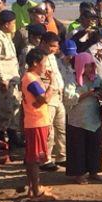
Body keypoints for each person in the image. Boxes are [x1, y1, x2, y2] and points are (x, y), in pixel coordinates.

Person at [63, 52, 102, 184]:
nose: (90, 69)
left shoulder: (96, 79)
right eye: (87, 66)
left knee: (94, 146)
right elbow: (68, 98)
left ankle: (94, 171)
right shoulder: (72, 79)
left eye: (91, 66)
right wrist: (87, 94)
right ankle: (79, 174)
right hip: (77, 120)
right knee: (78, 147)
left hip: (94, 118)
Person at [21, 48, 56, 201]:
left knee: (32, 157)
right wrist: (52, 84)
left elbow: (38, 100)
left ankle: (33, 188)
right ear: (35, 63)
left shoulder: (32, 77)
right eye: (43, 63)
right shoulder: (31, 78)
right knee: (34, 158)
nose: (45, 67)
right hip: (36, 122)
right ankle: (36, 191)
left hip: (35, 121)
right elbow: (44, 99)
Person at [0, 10, 22, 150]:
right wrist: (1, 79)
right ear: (6, 24)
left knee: (14, 109)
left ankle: (13, 137)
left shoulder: (6, 35)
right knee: (4, 111)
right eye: (13, 23)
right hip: (3, 81)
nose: (14, 25)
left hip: (12, 79)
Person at [39, 32, 67, 170]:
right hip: (47, 96)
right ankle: (45, 159)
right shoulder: (37, 56)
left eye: (56, 46)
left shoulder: (52, 57)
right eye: (51, 46)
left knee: (61, 127)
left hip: (58, 95)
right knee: (48, 130)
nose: (54, 49)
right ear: (43, 43)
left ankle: (61, 156)